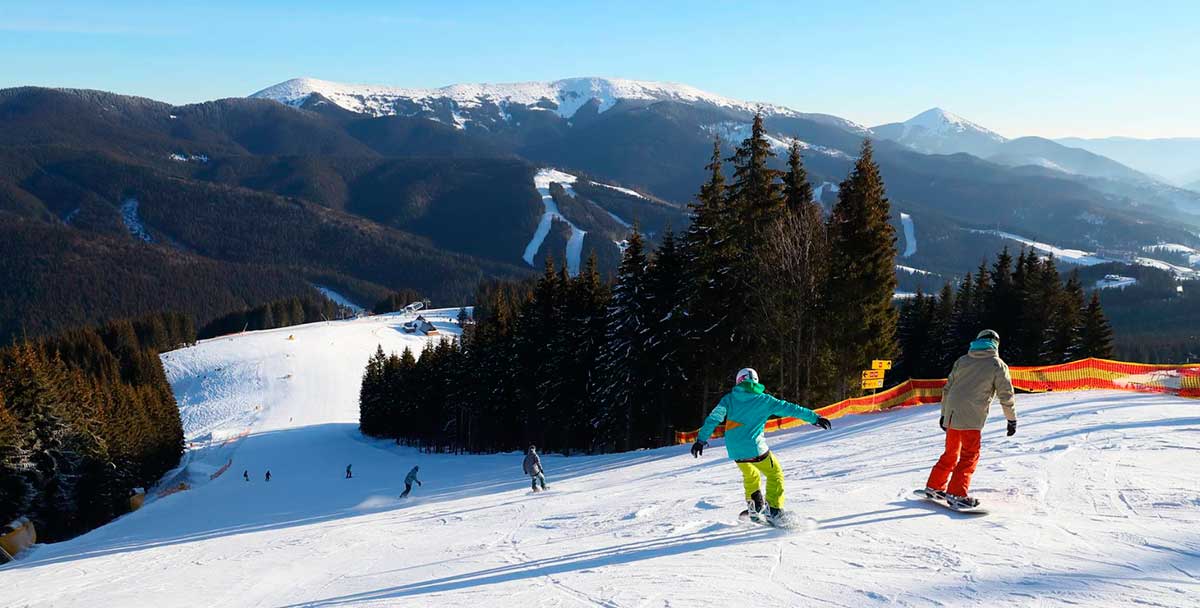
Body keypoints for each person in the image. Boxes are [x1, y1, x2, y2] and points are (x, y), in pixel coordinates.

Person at [691, 367, 832, 524]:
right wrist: (814, 418)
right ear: (756, 381)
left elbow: (713, 419)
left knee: (750, 475)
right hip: (754, 447)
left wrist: (700, 440)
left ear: (739, 381)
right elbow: (791, 408)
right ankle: (774, 511)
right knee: (775, 474)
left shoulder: (728, 399)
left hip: (735, 449)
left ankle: (755, 506)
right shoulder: (765, 400)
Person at [923, 329, 1017, 509]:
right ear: (996, 343)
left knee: (951, 453)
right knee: (969, 455)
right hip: (972, 416)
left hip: (952, 414)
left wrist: (944, 414)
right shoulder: (997, 364)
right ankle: (957, 493)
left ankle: (935, 486)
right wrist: (1011, 419)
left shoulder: (963, 360)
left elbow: (948, 388)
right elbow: (1006, 394)